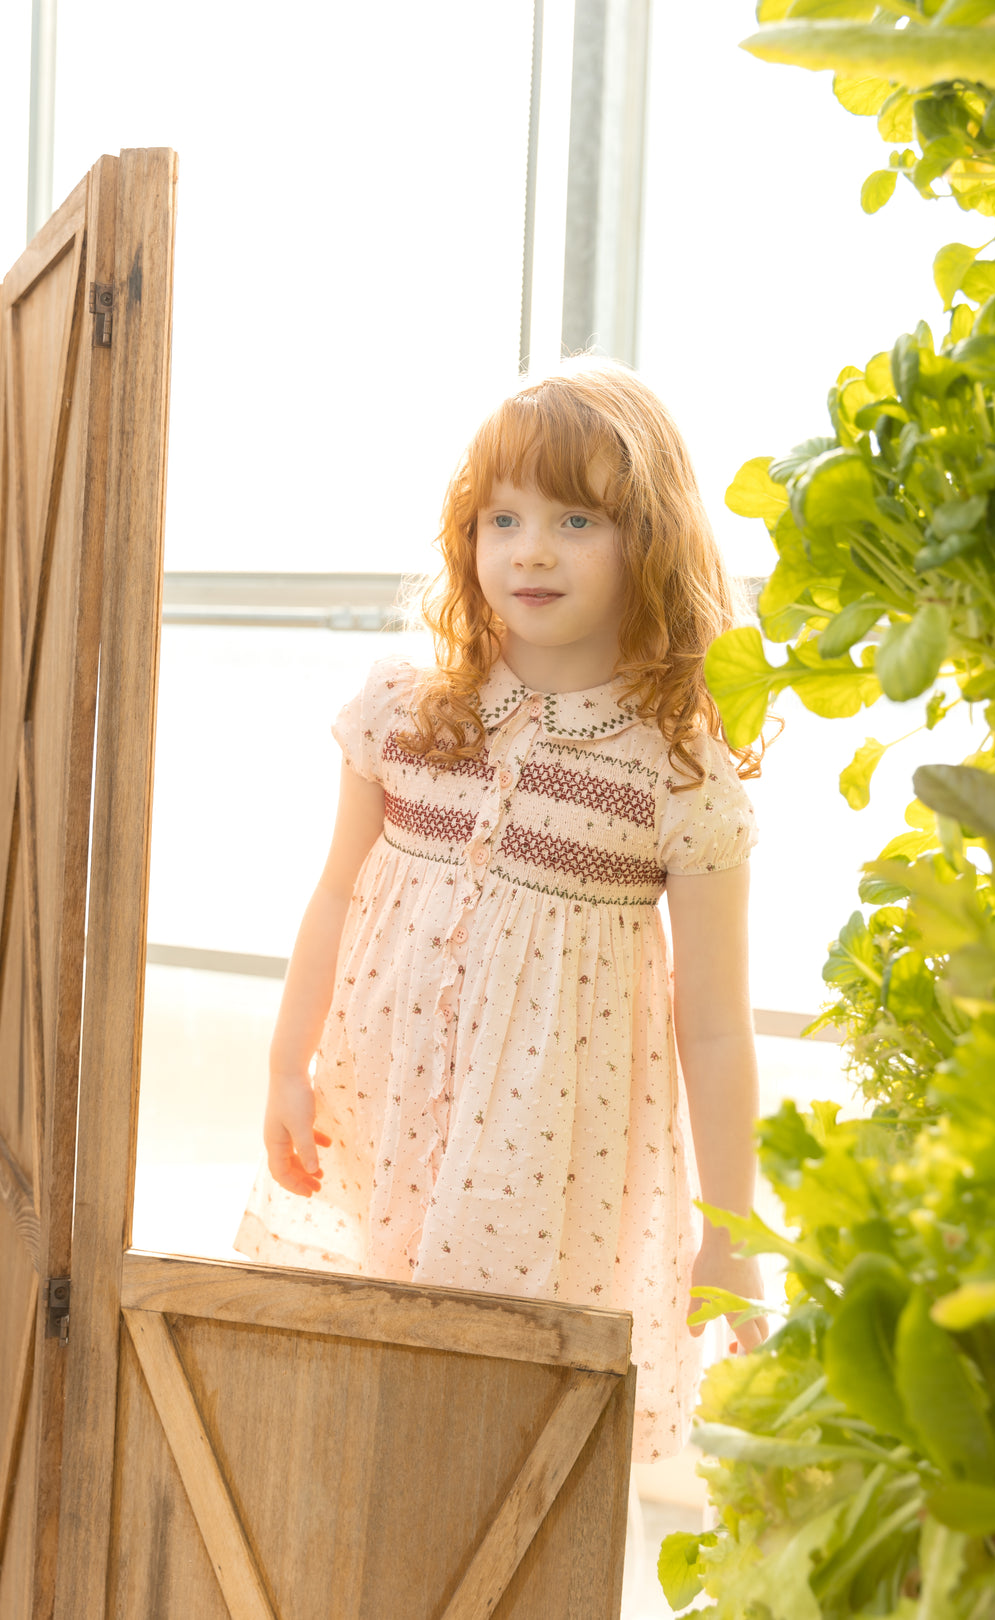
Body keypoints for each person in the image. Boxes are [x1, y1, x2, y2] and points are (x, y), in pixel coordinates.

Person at [233, 359, 769, 1463]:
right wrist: (289, 1063)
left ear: (650, 540)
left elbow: (716, 1025)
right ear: (466, 535)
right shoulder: (406, 709)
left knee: (498, 1434)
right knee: (344, 1414)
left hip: (543, 1159)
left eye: (576, 519)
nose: (530, 550)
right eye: (504, 517)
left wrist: (732, 1229)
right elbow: (336, 893)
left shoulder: (677, 770)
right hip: (378, 1113)